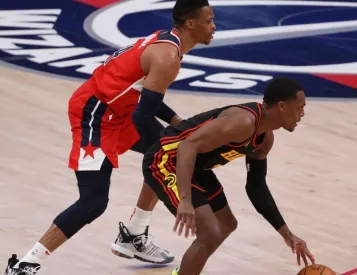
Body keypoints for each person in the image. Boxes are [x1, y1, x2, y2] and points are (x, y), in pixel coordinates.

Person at [3, 0, 216, 274]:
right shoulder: (167, 58)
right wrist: (170, 142)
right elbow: (142, 116)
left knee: (166, 156)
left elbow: (143, 94)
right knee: (94, 201)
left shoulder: (168, 43)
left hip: (118, 110)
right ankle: (25, 264)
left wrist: (175, 123)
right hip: (95, 112)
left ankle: (134, 235)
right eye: (209, 21)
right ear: (190, 24)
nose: (214, 27)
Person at [141, 77, 315, 275]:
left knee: (226, 224)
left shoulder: (265, 139)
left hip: (196, 167)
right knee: (209, 232)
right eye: (300, 107)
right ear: (282, 106)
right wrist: (185, 199)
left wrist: (288, 235)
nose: (302, 114)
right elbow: (187, 146)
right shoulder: (243, 122)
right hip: (166, 159)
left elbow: (256, 187)